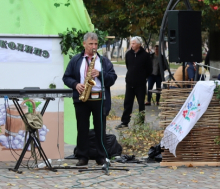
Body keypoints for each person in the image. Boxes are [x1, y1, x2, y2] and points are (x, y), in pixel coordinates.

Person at [62, 32, 117, 166]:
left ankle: (101, 157)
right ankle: (82, 156)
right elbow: (66, 77)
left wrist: (100, 74)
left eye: (96, 44)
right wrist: (76, 85)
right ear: (84, 44)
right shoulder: (76, 60)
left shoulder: (103, 61)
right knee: (82, 128)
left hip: (99, 99)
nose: (94, 47)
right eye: (91, 44)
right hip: (82, 99)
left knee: (100, 129)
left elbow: (112, 78)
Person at [117, 37, 152, 129]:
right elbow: (128, 66)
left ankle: (141, 123)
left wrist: (142, 77)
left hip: (140, 84)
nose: (131, 45)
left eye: (133, 43)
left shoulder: (145, 55)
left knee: (141, 103)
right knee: (127, 103)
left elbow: (149, 69)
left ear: (139, 44)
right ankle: (125, 122)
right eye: (131, 43)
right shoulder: (128, 54)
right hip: (129, 83)